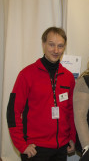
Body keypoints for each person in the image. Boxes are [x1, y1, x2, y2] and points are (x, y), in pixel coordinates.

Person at [6, 27, 76, 160]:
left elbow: (70, 112)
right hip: (35, 150)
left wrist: (71, 137)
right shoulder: (26, 74)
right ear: (43, 44)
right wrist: (21, 145)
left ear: (64, 47)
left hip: (61, 149)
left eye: (60, 46)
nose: (56, 50)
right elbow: (12, 112)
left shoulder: (68, 77)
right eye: (51, 44)